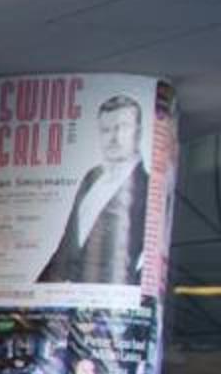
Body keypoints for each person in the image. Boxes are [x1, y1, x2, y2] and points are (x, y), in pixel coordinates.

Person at [34, 95, 149, 288]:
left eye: (122, 128)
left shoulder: (147, 189)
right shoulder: (91, 177)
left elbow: (144, 266)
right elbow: (65, 251)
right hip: (59, 300)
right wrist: (31, 296)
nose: (113, 138)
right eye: (106, 130)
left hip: (106, 301)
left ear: (138, 132)